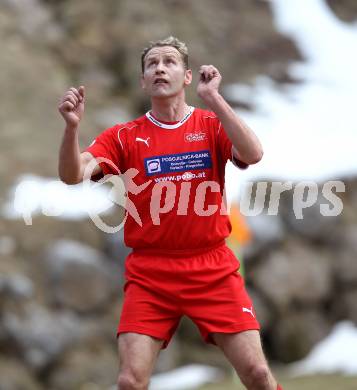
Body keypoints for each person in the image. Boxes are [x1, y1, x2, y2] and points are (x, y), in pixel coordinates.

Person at [58, 36, 282, 390]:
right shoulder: (124, 137)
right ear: (144, 81)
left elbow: (252, 154)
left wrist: (215, 99)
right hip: (151, 273)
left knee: (257, 375)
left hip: (212, 267)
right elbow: (73, 175)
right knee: (130, 381)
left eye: (169, 62)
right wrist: (72, 129)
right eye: (152, 64)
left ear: (188, 76)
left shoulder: (209, 123)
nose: (160, 68)